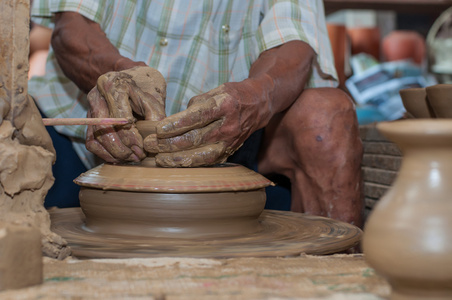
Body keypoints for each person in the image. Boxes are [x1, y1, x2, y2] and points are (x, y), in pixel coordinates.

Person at [29, 0, 364, 227]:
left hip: (232, 142)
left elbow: (295, 44)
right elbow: (72, 25)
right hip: (83, 132)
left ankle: (330, 274)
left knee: (327, 113)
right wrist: (115, 74)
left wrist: (254, 95)